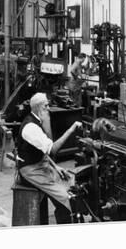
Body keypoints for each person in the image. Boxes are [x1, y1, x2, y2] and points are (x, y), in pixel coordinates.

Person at [16, 92, 82, 224]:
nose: (48, 109)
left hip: (41, 163)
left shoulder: (37, 121)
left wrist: (56, 167)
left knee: (69, 184)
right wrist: (71, 129)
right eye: (46, 106)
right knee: (65, 198)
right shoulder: (31, 127)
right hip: (30, 170)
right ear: (39, 107)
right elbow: (52, 150)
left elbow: (43, 152)